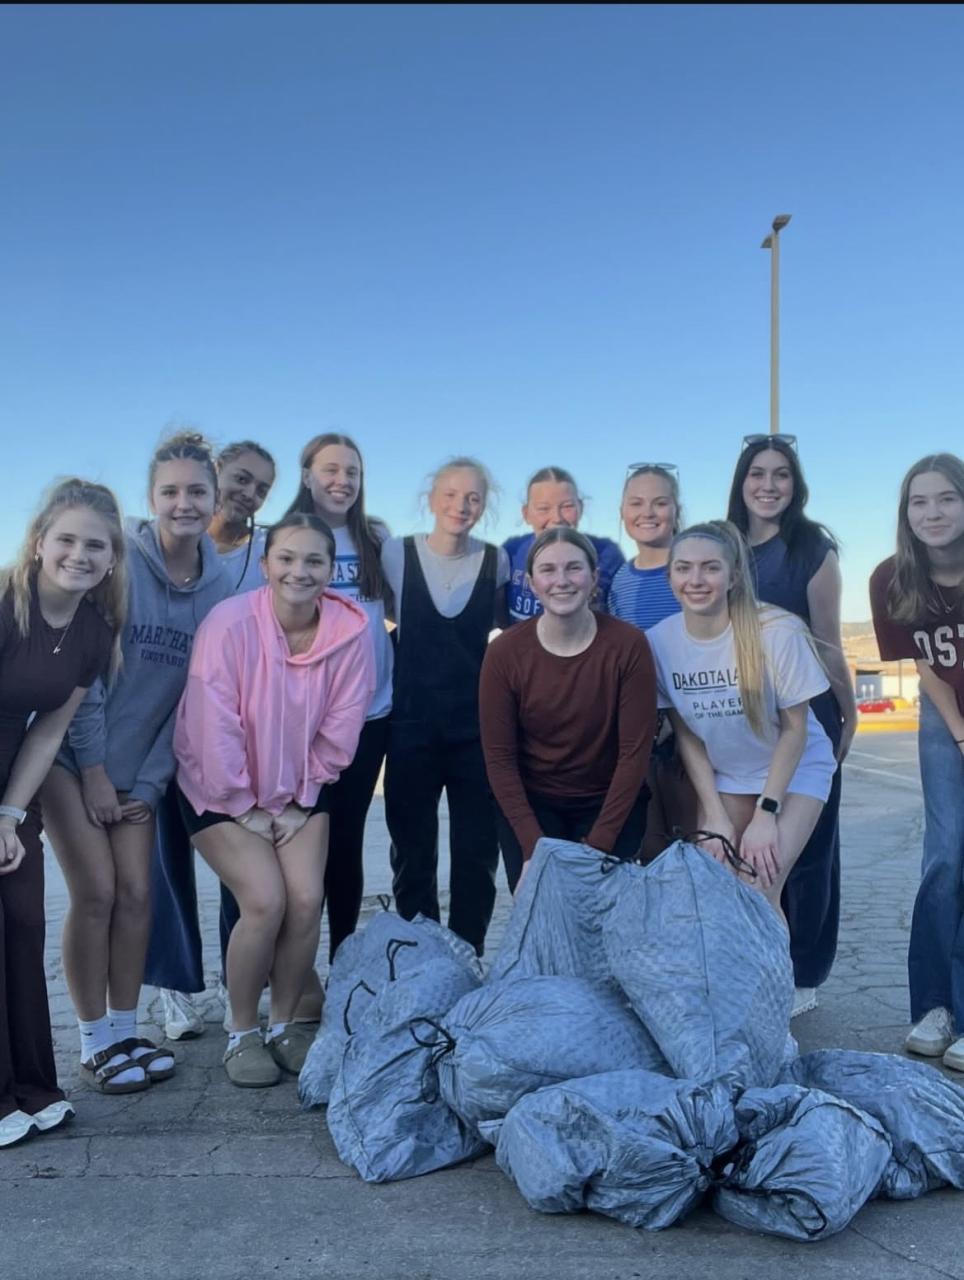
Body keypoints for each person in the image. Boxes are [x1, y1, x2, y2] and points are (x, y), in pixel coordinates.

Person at [41, 432, 230, 1095]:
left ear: (215, 500)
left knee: (139, 896)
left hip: (141, 769)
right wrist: (95, 772)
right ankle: (93, 1041)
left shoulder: (220, 588)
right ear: (152, 498)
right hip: (68, 756)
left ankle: (125, 1032)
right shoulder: (118, 560)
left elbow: (191, 700)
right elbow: (85, 677)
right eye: (170, 491)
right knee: (96, 894)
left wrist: (149, 783)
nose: (184, 503)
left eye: (197, 491)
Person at [173, 513, 374, 1086]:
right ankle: (241, 1032)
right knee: (265, 901)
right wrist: (244, 806)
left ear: (331, 571)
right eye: (286, 558)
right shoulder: (229, 623)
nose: (299, 571)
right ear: (265, 565)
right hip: (219, 788)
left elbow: (343, 723)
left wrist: (300, 800)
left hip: (299, 787)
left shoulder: (350, 634)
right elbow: (213, 722)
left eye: (314, 560)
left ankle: (286, 1024)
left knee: (307, 898)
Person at [0, 480, 123, 1148]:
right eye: (67, 539)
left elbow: (48, 732)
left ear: (112, 558)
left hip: (12, 782)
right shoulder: (5, 603)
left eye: (95, 545)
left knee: (23, 921)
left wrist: (9, 814)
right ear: (39, 542)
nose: (80, 554)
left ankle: (34, 1088)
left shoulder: (93, 632)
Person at [146, 441, 278, 1041]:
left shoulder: (263, 555)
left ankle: (236, 978)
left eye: (263, 488)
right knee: (165, 862)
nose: (249, 494)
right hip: (157, 728)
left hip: (229, 733)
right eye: (242, 479)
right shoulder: (161, 546)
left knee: (237, 864)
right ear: (215, 474)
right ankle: (173, 986)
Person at [727, 434, 856, 1018]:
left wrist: (848, 709)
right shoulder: (725, 544)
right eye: (757, 473)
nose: (768, 485)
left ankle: (804, 972)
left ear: (795, 485)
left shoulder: (811, 549)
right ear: (741, 482)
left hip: (806, 712)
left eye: (781, 474)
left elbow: (827, 641)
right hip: (739, 714)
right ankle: (749, 963)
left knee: (808, 849)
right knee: (747, 847)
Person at [646, 520, 836, 916]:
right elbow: (688, 736)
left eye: (710, 568)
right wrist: (714, 813)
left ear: (732, 576)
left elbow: (795, 730)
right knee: (715, 884)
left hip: (794, 768)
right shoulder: (659, 642)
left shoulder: (778, 631)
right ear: (669, 578)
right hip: (728, 774)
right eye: (683, 568)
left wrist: (766, 814)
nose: (696, 580)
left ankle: (776, 961)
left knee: (758, 885)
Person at [480, 527, 657, 892]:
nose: (561, 580)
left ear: (593, 578)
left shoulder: (628, 645)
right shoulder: (504, 653)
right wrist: (535, 848)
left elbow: (634, 753)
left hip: (609, 801)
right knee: (543, 907)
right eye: (548, 570)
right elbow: (499, 759)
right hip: (533, 803)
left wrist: (597, 848)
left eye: (574, 568)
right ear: (532, 584)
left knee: (605, 910)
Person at [382, 456, 509, 952]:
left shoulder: (498, 561)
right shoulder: (396, 553)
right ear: (432, 500)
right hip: (409, 724)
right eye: (451, 495)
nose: (462, 505)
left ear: (484, 505)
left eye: (473, 497)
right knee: (411, 850)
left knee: (477, 851)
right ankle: (421, 953)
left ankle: (467, 952)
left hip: (475, 728)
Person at [286, 432, 394, 981]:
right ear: (307, 475)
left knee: (347, 843)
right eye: (330, 469)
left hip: (370, 716)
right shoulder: (287, 537)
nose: (341, 481)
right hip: (301, 722)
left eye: (352, 471)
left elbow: (400, 609)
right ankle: (289, 973)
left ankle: (343, 964)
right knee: (297, 843)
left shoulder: (376, 538)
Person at [869, 453, 964, 1071]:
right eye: (919, 501)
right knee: (947, 854)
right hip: (944, 713)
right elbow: (927, 671)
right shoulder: (892, 578)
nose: (933, 512)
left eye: (947, 498)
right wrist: (959, 734)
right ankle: (935, 1007)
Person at [608, 464, 694, 859]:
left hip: (694, 728)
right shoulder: (620, 581)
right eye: (636, 503)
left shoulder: (694, 571)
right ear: (622, 512)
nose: (647, 512)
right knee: (649, 848)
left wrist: (676, 720)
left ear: (676, 509)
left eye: (659, 502)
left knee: (697, 844)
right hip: (641, 734)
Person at [502, 466, 624, 624]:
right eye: (543, 508)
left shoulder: (607, 554)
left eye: (567, 506)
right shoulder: (510, 552)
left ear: (580, 508)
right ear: (526, 513)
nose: (557, 518)